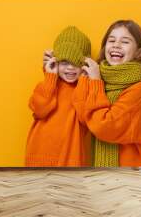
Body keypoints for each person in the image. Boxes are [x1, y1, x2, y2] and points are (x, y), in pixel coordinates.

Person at [74, 20, 141, 167]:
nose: (116, 45)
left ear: (139, 52)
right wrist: (84, 79)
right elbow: (83, 117)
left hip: (138, 169)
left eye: (125, 41)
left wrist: (95, 82)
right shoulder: (101, 80)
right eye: (111, 40)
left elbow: (105, 127)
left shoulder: (140, 88)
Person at [25, 26, 91, 167]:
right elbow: (40, 109)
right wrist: (50, 77)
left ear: (85, 64)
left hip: (70, 158)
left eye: (76, 63)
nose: (70, 68)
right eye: (65, 62)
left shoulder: (85, 89)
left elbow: (84, 117)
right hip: (38, 155)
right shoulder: (47, 85)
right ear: (56, 61)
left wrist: (85, 79)